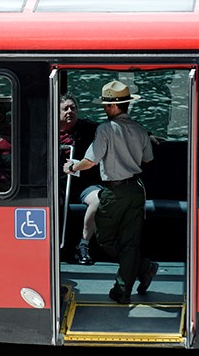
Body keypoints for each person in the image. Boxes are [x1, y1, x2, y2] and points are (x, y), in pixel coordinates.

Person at [63, 80, 159, 304]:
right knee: (130, 242)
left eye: (106, 105)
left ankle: (142, 268)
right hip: (136, 189)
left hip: (114, 192)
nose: (104, 109)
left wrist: (72, 167)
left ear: (114, 107)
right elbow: (148, 158)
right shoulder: (140, 128)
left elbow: (90, 161)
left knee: (105, 239)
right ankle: (123, 290)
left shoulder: (105, 129)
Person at [59, 93, 101, 265]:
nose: (70, 111)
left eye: (73, 108)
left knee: (98, 199)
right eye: (65, 108)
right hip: (59, 184)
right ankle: (55, 246)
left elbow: (116, 131)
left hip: (84, 183)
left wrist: (147, 134)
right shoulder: (48, 129)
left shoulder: (88, 128)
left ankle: (83, 244)